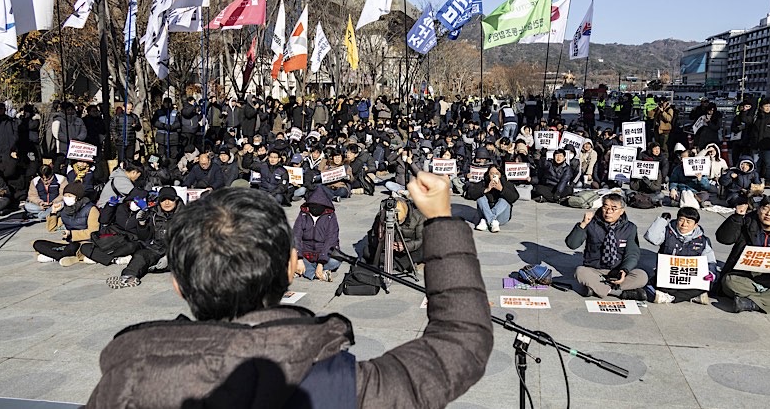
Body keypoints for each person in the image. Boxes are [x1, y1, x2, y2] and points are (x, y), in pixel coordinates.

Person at [85, 174, 492, 408]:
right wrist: (441, 220)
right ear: (291, 268)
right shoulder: (339, 385)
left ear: (177, 285)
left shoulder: (127, 386)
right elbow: (459, 344)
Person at [564, 194, 648, 300]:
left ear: (622, 211)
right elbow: (572, 244)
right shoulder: (591, 223)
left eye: (614, 208)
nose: (608, 211)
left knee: (642, 276)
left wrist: (624, 271)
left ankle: (597, 288)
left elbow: (632, 253)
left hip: (617, 271)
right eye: (605, 207)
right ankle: (620, 293)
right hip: (594, 270)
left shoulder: (630, 228)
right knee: (580, 272)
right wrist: (583, 224)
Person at [106, 187, 182, 289]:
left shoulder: (186, 215)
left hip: (178, 251)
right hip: (157, 249)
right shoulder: (153, 214)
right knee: (141, 255)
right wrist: (142, 224)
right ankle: (128, 277)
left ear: (176, 200)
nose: (167, 203)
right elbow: (145, 237)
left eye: (170, 199)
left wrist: (169, 256)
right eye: (163, 200)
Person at [644, 208, 717, 304]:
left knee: (708, 284)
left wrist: (711, 273)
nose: (684, 224)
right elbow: (652, 238)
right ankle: (691, 296)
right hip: (668, 276)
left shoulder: (703, 240)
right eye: (681, 220)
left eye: (688, 222)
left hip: (690, 278)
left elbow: (710, 260)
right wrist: (662, 220)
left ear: (695, 225)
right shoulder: (667, 232)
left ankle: (670, 297)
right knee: (657, 282)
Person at [33, 182, 101, 266]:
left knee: (73, 248)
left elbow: (93, 232)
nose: (66, 198)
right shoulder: (65, 210)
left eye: (70, 196)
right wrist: (53, 213)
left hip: (85, 243)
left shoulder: (91, 209)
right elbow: (52, 228)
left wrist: (72, 234)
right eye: (65, 195)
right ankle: (64, 256)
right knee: (38, 244)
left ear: (78, 197)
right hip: (69, 242)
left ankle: (58, 256)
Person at [292, 189, 341, 282]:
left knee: (335, 261)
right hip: (305, 253)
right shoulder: (303, 214)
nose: (315, 208)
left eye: (318, 205)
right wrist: (299, 258)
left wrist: (320, 263)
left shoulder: (330, 216)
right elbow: (296, 236)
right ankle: (316, 274)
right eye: (313, 205)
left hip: (323, 253)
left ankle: (302, 270)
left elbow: (331, 240)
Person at [465, 165, 519, 233]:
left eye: (496, 173)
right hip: (486, 212)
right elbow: (469, 194)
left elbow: (515, 197)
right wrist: (486, 189)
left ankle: (487, 220)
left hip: (501, 216)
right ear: (488, 174)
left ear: (500, 175)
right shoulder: (484, 183)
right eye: (492, 173)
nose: (494, 175)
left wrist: (501, 189)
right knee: (480, 197)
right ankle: (492, 221)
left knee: (504, 199)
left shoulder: (506, 184)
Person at [749, 97, 770, 188]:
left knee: (769, 164)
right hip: (756, 146)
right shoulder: (756, 117)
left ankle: (768, 180)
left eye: (769, 106)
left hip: (769, 147)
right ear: (761, 107)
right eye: (765, 106)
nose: (767, 108)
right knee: (755, 164)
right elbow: (751, 130)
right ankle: (757, 180)